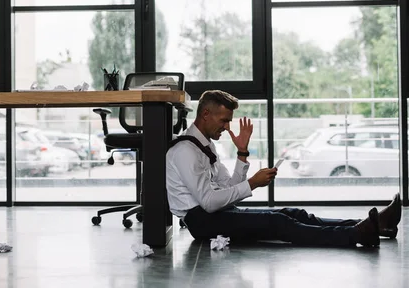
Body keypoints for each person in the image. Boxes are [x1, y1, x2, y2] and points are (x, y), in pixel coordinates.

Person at [166, 90, 402, 247]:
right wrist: (252, 184)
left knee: (294, 214)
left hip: (215, 214)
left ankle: (376, 225)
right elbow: (208, 201)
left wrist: (242, 153)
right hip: (201, 221)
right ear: (205, 114)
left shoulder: (206, 146)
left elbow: (228, 188)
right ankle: (357, 235)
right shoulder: (186, 151)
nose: (227, 127)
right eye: (224, 120)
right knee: (277, 222)